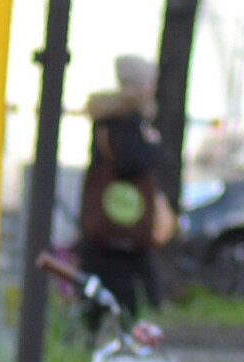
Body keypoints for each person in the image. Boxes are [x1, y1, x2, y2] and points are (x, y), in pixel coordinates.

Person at [75, 54, 166, 327]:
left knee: (102, 283)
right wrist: (152, 146)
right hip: (122, 220)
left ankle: (91, 332)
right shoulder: (127, 120)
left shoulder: (106, 117)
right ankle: (129, 333)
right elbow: (131, 161)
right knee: (126, 290)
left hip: (104, 220)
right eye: (149, 82)